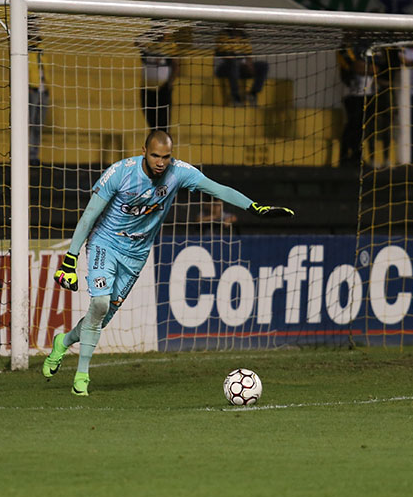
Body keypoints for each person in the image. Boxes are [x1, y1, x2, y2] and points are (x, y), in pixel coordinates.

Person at [42, 130, 294, 396]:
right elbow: (89, 215)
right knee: (100, 303)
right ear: (143, 151)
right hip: (106, 244)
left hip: (137, 254)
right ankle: (82, 375)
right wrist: (70, 259)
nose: (161, 162)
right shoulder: (120, 172)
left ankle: (64, 341)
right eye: (155, 156)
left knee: (101, 319)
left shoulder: (178, 172)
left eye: (166, 156)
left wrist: (255, 207)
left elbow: (217, 188)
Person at [337, 40, 377, 167]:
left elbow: (375, 68)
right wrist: (367, 68)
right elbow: (356, 67)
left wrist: (366, 68)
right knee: (351, 125)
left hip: (368, 93)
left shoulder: (367, 46)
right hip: (352, 94)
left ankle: (356, 155)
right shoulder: (345, 48)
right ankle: (344, 156)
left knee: (362, 127)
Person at [214, 25, 269, 107]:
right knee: (233, 64)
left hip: (240, 69)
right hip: (224, 68)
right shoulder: (224, 35)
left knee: (263, 65)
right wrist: (241, 64)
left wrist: (249, 65)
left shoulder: (244, 37)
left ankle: (253, 94)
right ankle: (236, 98)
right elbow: (226, 56)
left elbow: (248, 54)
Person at [137, 28, 178, 132]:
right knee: (151, 123)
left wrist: (169, 83)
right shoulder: (148, 45)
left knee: (163, 124)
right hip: (147, 89)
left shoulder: (170, 46)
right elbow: (137, 41)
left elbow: (175, 64)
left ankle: (163, 145)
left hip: (162, 90)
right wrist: (149, 33)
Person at [28, 28, 50, 166]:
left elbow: (45, 70)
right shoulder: (25, 49)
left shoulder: (41, 50)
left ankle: (34, 155)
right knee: (28, 123)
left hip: (44, 90)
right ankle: (25, 153)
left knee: (38, 125)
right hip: (31, 89)